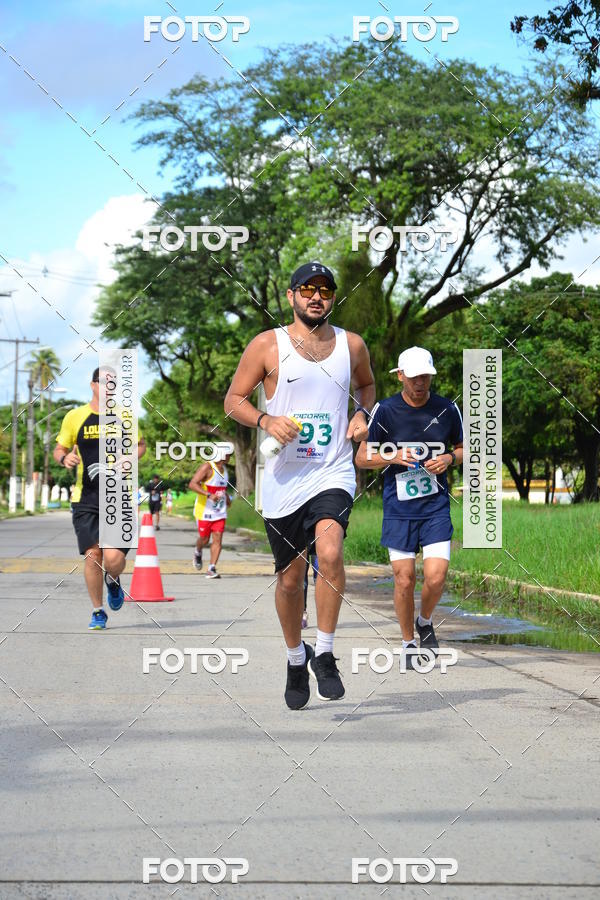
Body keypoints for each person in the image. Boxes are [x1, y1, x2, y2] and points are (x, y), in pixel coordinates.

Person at [224, 261, 375, 709]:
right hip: (283, 477)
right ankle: (296, 657)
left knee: (329, 551)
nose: (316, 297)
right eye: (307, 289)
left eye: (325, 291)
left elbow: (367, 386)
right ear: (291, 296)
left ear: (332, 298)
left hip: (332, 470)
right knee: (290, 580)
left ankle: (325, 654)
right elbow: (233, 400)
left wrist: (363, 413)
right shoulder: (266, 345)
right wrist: (266, 419)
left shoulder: (353, 345)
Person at [355, 346, 463, 667]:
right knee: (404, 580)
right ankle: (406, 644)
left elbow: (465, 449)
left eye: (426, 376)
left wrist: (448, 458)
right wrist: (392, 456)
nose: (421, 382)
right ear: (400, 376)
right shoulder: (385, 411)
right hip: (399, 508)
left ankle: (425, 621)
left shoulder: (447, 410)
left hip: (435, 508)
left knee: (436, 576)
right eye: (414, 376)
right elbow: (362, 457)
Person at [53, 366, 146, 630]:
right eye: (103, 382)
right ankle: (97, 611)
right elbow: (59, 448)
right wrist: (64, 457)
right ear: (93, 385)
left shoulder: (124, 416)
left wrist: (129, 459)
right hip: (86, 497)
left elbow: (140, 445)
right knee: (93, 554)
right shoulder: (75, 417)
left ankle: (113, 581)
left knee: (114, 559)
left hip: (119, 497)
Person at [189, 450, 233, 579]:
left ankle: (211, 568)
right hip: (204, 512)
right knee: (204, 539)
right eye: (228, 454)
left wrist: (228, 499)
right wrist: (208, 495)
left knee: (218, 538)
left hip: (219, 512)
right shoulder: (207, 467)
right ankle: (198, 551)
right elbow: (192, 484)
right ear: (221, 454)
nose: (230, 457)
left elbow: (222, 489)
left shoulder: (224, 470)